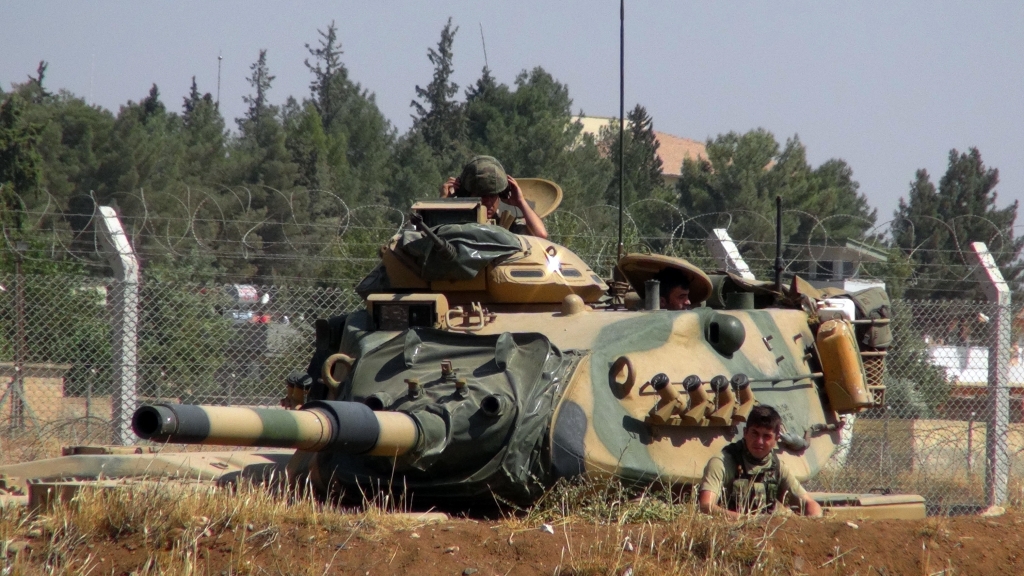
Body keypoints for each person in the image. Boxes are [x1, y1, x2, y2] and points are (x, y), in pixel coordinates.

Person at [698, 405, 823, 519]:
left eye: (766, 436)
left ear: (776, 439)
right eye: (755, 433)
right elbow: (706, 506)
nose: (759, 441)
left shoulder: (777, 467)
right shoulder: (723, 462)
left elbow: (808, 502)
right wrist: (746, 520)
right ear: (745, 433)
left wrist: (814, 518)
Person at [440, 155, 548, 239]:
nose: (488, 202)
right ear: (467, 195)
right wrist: (444, 201)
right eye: (481, 196)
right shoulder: (454, 225)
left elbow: (540, 235)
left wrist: (520, 202)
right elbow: (431, 234)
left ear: (501, 194)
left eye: (492, 196)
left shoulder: (506, 226)